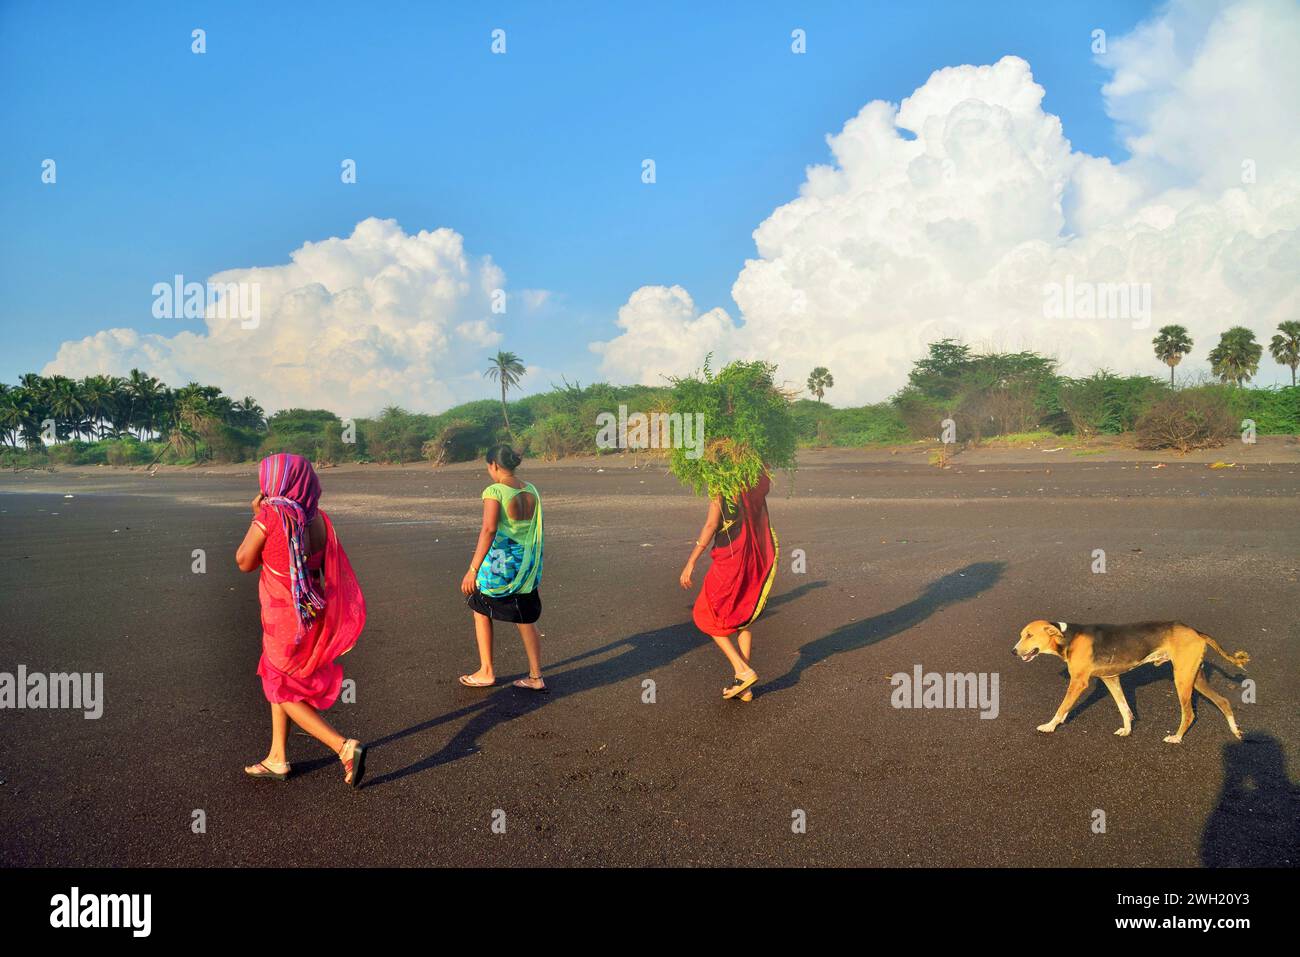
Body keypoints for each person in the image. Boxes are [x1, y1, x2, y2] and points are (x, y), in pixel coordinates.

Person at [235, 453, 368, 787]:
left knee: (279, 689)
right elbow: (321, 568)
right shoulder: (320, 520)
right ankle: (277, 756)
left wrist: (256, 518)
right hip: (311, 613)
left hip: (284, 618)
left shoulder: (271, 515)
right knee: (280, 678)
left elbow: (244, 561)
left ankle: (343, 747)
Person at [679, 469, 778, 701]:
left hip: (729, 558)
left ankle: (743, 670)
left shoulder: (720, 486)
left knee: (704, 613)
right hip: (752, 557)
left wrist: (691, 562)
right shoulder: (753, 487)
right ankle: (744, 686)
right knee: (744, 615)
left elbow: (711, 525)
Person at [459, 444, 546, 691]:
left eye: (489, 467)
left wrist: (473, 569)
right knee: (525, 617)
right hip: (526, 566)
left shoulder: (495, 491)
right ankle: (536, 676)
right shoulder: (532, 490)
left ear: (494, 465)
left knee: (480, 608)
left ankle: (486, 671)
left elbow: (489, 529)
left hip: (501, 566)